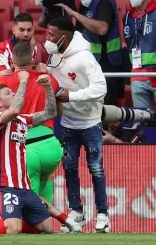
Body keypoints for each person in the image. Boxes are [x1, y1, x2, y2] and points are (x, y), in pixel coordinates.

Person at [0, 71, 57, 235]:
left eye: (13, 91)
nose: (13, 93)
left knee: (47, 228)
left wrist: (48, 88)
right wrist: (23, 81)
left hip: (25, 186)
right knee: (14, 229)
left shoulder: (22, 120)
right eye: (8, 93)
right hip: (5, 185)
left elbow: (50, 113)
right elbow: (14, 110)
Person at [45, 18, 110, 232]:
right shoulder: (54, 56)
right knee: (70, 168)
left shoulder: (84, 57)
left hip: (90, 122)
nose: (48, 39)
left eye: (52, 35)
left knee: (96, 169)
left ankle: (103, 215)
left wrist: (71, 96)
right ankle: (77, 213)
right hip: (67, 123)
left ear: (65, 36)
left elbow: (101, 88)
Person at [0, 42, 63, 204]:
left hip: (25, 146)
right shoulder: (48, 79)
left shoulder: (3, 81)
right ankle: (54, 223)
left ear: (11, 59)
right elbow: (58, 113)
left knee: (28, 201)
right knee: (45, 184)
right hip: (51, 146)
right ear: (33, 56)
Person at [56, 0, 124, 106]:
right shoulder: (84, 0)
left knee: (106, 107)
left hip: (107, 61)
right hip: (92, 60)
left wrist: (74, 13)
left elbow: (102, 28)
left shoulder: (104, 0)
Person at [0, 13, 49, 78]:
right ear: (14, 30)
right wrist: (34, 72)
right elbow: (6, 79)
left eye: (29, 30)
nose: (26, 34)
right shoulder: (2, 50)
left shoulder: (33, 46)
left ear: (33, 31)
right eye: (21, 30)